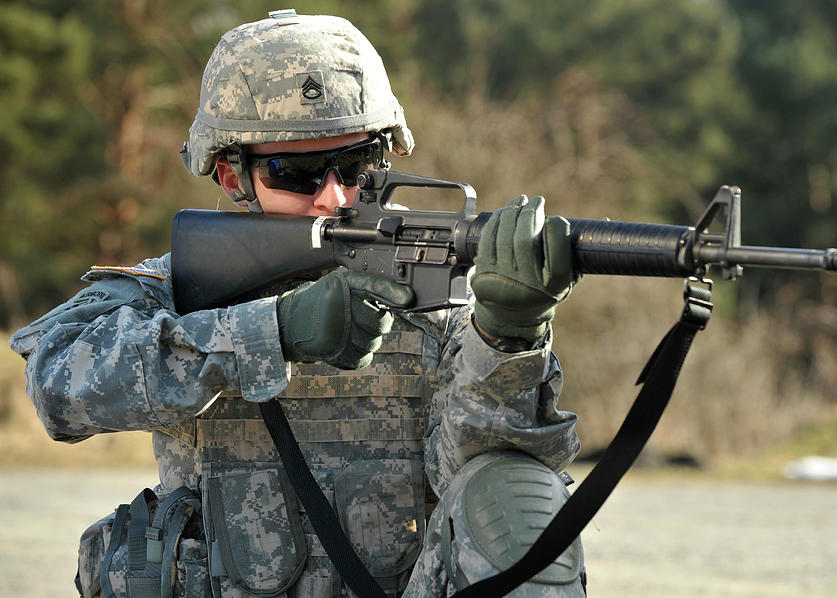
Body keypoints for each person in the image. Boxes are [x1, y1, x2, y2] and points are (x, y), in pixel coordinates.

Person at [10, 10, 584, 598]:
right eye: (299, 173)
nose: (334, 197)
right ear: (232, 177)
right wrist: (274, 331)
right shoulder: (181, 289)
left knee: (516, 495)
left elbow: (482, 473)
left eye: (358, 167)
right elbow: (57, 385)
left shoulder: (434, 298)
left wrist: (508, 338)